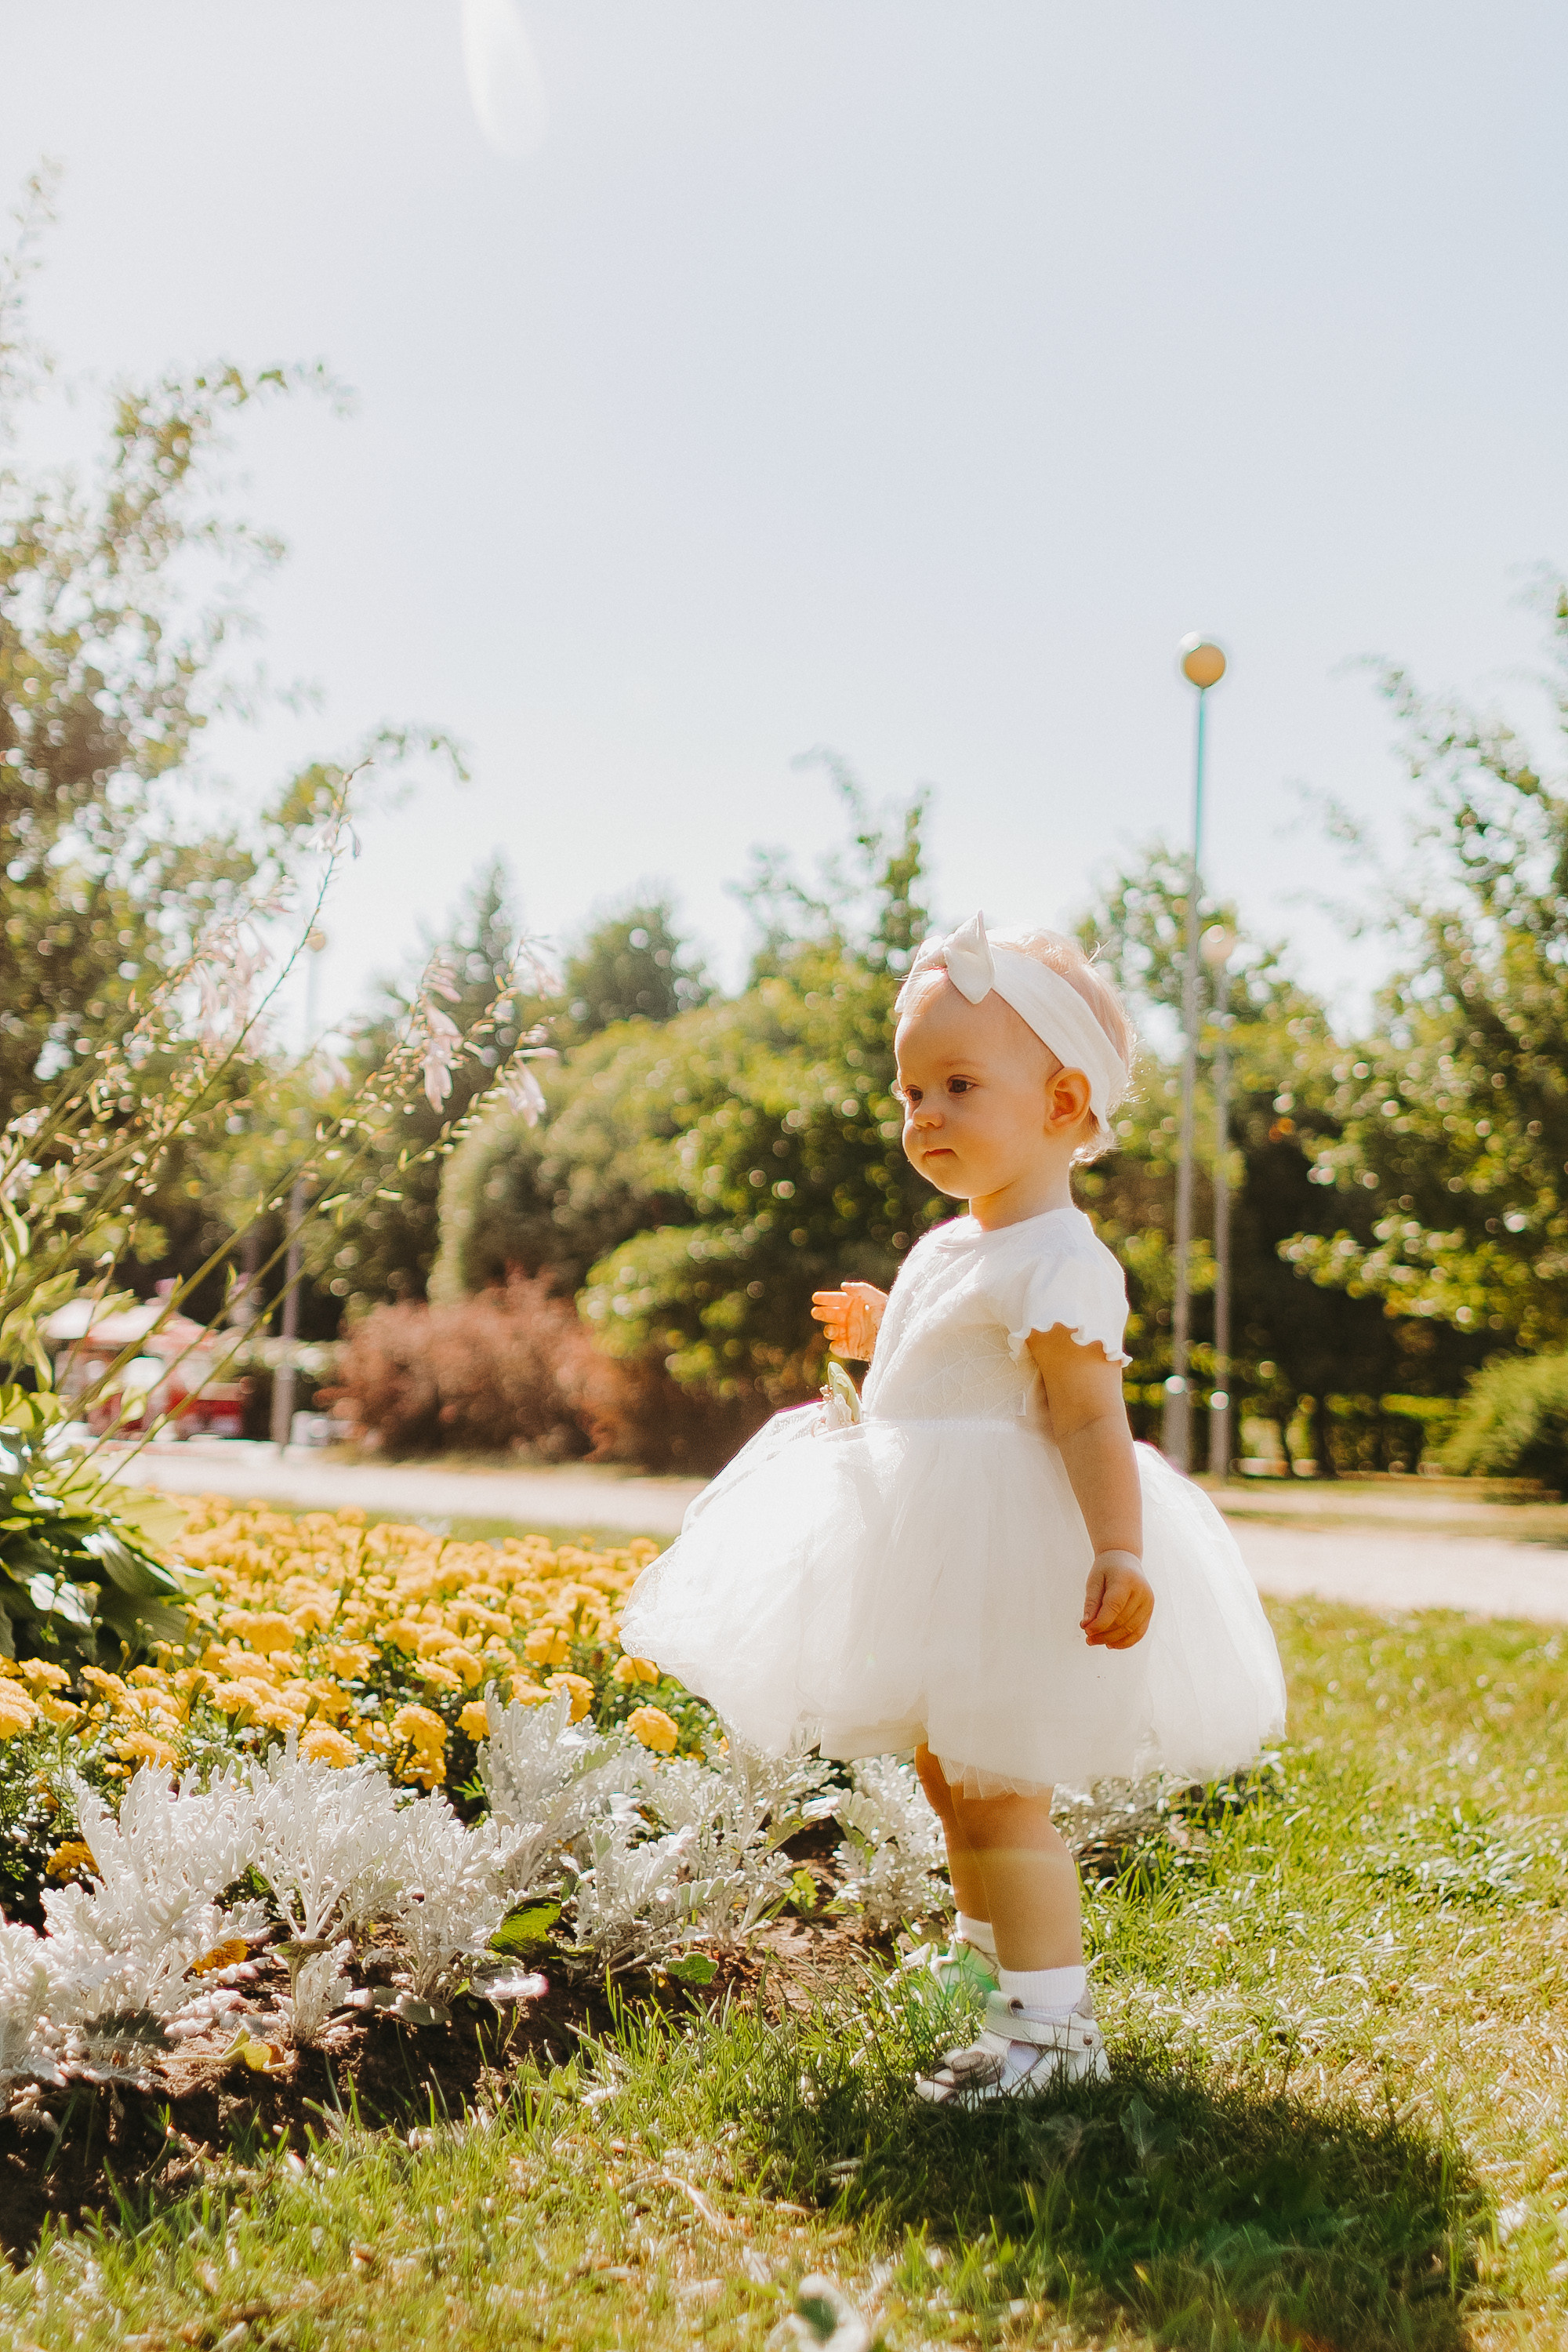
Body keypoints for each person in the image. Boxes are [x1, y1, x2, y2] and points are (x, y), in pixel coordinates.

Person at [619, 911, 1286, 2104]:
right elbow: (947, 1369)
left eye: (958, 1085)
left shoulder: (1062, 1261)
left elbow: (1087, 1419)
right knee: (949, 1774)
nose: (922, 1114)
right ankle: (987, 1978)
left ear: (1065, 1101)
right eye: (911, 1091)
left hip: (1010, 1559)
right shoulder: (957, 1245)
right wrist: (894, 1327)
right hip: (932, 1549)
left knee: (1001, 1791)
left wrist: (1120, 1548)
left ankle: (1055, 2030)